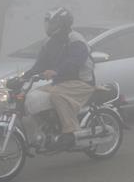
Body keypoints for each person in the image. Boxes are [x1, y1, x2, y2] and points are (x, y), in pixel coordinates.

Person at [22, 8, 95, 148]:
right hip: (61, 82)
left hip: (81, 82)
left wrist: (56, 71)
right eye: (49, 23)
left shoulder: (75, 39)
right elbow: (40, 64)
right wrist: (24, 77)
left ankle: (70, 131)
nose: (49, 27)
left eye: (53, 23)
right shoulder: (49, 42)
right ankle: (47, 128)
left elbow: (75, 61)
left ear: (63, 24)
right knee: (32, 96)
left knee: (57, 95)